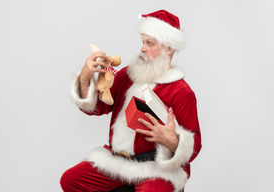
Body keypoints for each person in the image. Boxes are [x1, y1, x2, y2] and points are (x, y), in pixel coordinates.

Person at [60, 10, 202, 192]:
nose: (142, 48)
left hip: (156, 168)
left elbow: (195, 145)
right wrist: (86, 77)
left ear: (168, 48)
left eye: (149, 43)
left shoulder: (181, 92)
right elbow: (96, 107)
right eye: (142, 42)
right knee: (71, 180)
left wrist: (173, 141)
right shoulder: (129, 74)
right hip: (118, 161)